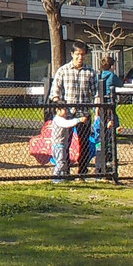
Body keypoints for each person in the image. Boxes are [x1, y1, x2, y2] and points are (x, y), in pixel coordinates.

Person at [49, 40, 97, 182]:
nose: (80, 57)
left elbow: (96, 93)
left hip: (84, 113)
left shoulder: (90, 72)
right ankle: (65, 171)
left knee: (84, 143)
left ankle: (82, 172)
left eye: (82, 55)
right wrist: (59, 104)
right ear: (72, 54)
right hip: (67, 114)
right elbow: (54, 91)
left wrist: (97, 107)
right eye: (77, 54)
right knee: (65, 143)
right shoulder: (63, 70)